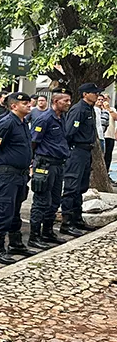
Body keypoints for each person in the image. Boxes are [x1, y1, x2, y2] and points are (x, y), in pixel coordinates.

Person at [0, 91, 35, 264]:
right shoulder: (6, 123)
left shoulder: (22, 122)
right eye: (24, 103)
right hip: (7, 173)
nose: (29, 105)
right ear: (13, 106)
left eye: (29, 103)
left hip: (20, 174)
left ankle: (15, 243)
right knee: (3, 209)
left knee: (15, 210)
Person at [28, 87, 72, 248]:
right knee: (41, 201)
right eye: (65, 100)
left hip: (58, 164)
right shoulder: (45, 119)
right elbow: (33, 142)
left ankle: (47, 232)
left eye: (69, 100)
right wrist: (31, 164)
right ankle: (34, 235)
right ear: (55, 101)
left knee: (54, 201)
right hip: (45, 164)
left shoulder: (62, 118)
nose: (68, 103)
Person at [60, 83, 104, 234]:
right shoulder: (79, 109)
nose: (97, 95)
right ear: (85, 94)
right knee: (71, 187)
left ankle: (76, 219)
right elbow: (69, 132)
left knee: (80, 187)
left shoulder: (89, 109)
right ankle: (66, 223)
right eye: (94, 93)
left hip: (85, 151)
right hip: (77, 151)